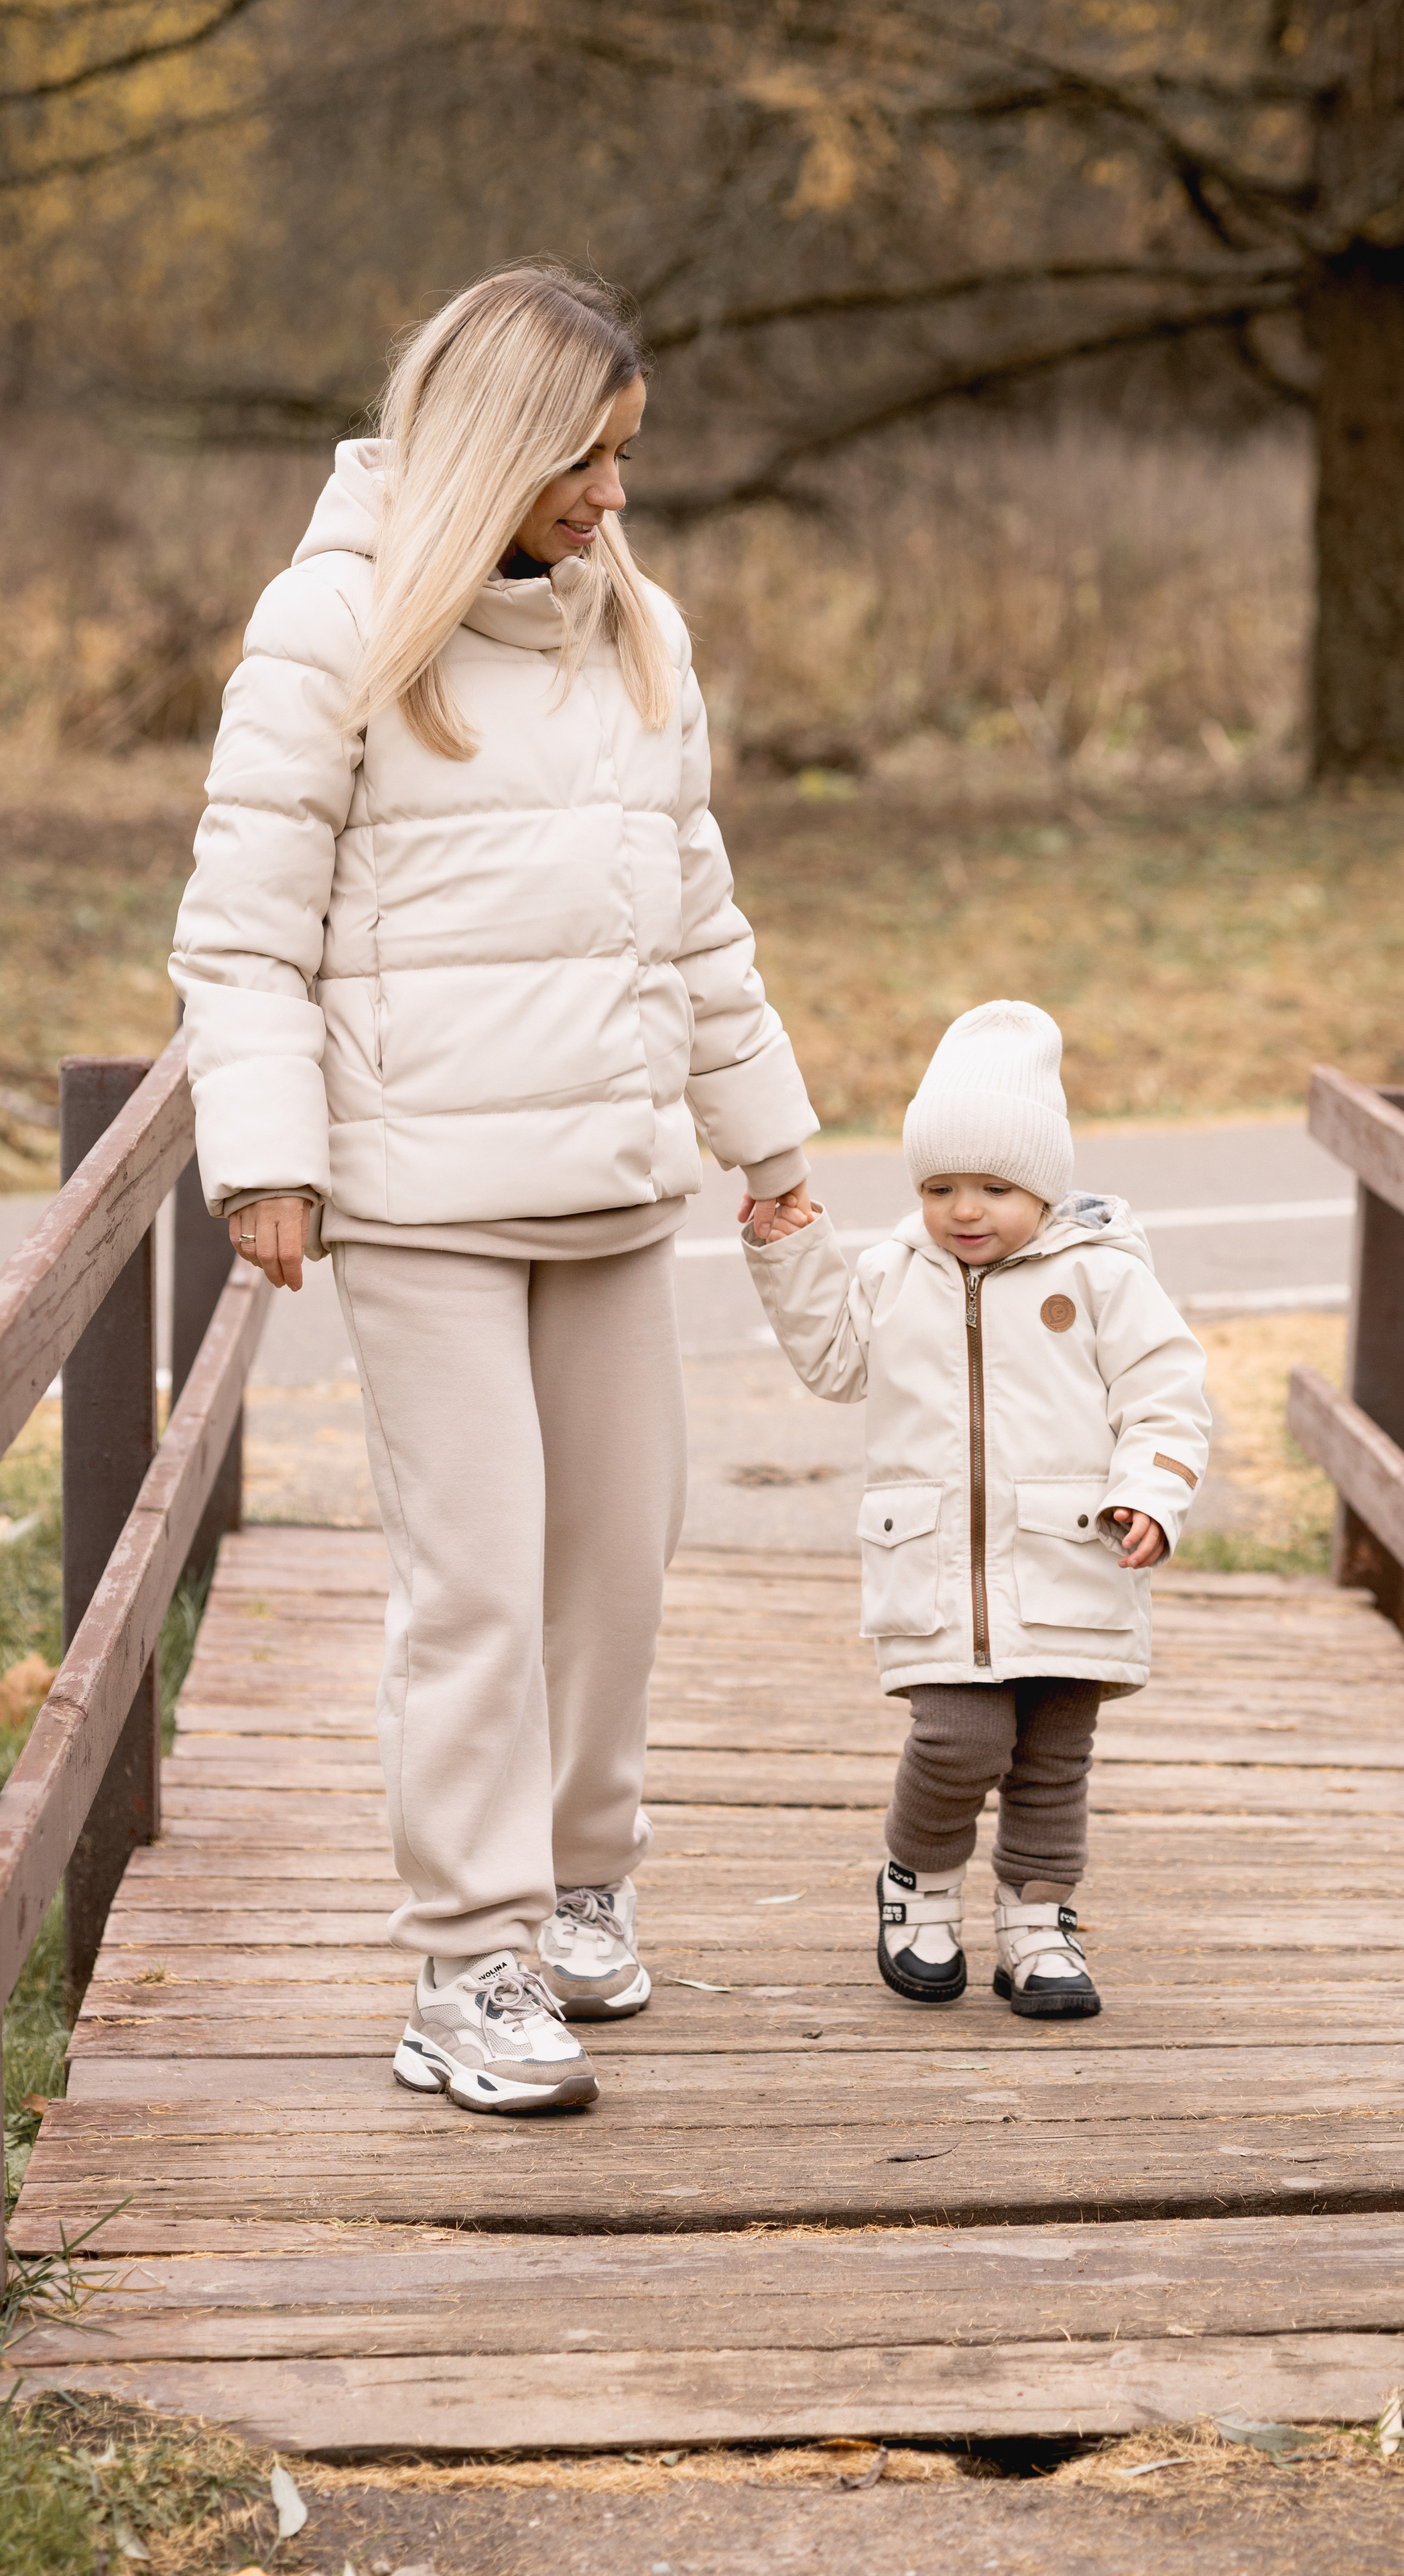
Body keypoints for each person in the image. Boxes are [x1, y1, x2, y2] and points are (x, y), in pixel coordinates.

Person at [170, 266, 817, 2115]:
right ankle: (467, 1958)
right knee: (474, 1585)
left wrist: (768, 1146)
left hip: (617, 1184)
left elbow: (696, 915)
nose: (613, 496)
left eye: (626, 460)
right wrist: (267, 1159)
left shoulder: (641, 634)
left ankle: (583, 1876)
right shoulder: (333, 625)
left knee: (616, 1564)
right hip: (424, 1194)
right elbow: (239, 929)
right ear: (497, 447)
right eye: (585, 461)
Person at [745, 1001, 1208, 2018]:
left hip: (1072, 1560)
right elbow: (832, 1362)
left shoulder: (1103, 1274)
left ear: (1043, 1185)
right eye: (941, 1186)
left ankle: (1038, 1921)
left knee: (1052, 1759)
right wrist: (791, 1252)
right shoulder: (893, 1274)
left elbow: (1166, 1393)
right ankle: (919, 1880)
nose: (965, 1209)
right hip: (940, 1572)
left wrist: (1152, 1491)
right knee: (958, 1739)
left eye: (996, 1188)